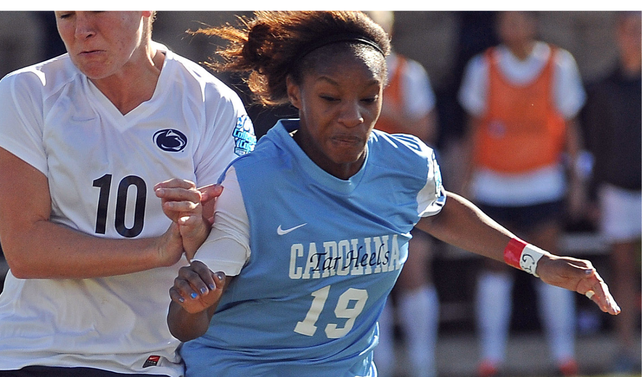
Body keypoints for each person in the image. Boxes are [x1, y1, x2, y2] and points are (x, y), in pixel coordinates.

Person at [162, 11, 620, 377]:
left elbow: (439, 211)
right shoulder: (253, 182)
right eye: (330, 98)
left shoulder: (406, 164)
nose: (352, 116)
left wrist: (540, 262)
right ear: (296, 93)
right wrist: (191, 307)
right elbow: (187, 322)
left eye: (368, 98)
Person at [0, 11, 255, 377]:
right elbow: (24, 249)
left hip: (149, 364)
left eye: (98, 10)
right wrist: (157, 250)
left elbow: (231, 241)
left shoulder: (214, 102)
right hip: (23, 356)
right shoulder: (26, 89)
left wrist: (197, 231)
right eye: (66, 15)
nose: (82, 30)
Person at [457, 11, 588, 377]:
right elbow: (473, 130)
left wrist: (577, 181)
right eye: (505, 21)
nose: (510, 28)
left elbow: (571, 127)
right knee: (494, 264)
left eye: (518, 20)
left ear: (533, 23)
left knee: (552, 265)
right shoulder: (483, 67)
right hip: (494, 183)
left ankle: (564, 357)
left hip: (542, 182)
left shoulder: (558, 64)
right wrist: (463, 184)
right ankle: (491, 359)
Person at [365, 10, 440, 377]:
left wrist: (387, 108)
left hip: (402, 192)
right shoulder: (337, 70)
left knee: (414, 273)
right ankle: (380, 367)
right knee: (368, 279)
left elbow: (426, 129)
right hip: (358, 192)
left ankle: (423, 366)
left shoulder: (409, 73)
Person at [581, 11, 641, 374]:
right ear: (619, 34)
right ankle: (626, 349)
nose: (636, 37)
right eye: (631, 30)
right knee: (621, 272)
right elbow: (595, 145)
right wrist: (591, 195)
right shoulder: (602, 87)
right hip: (616, 191)